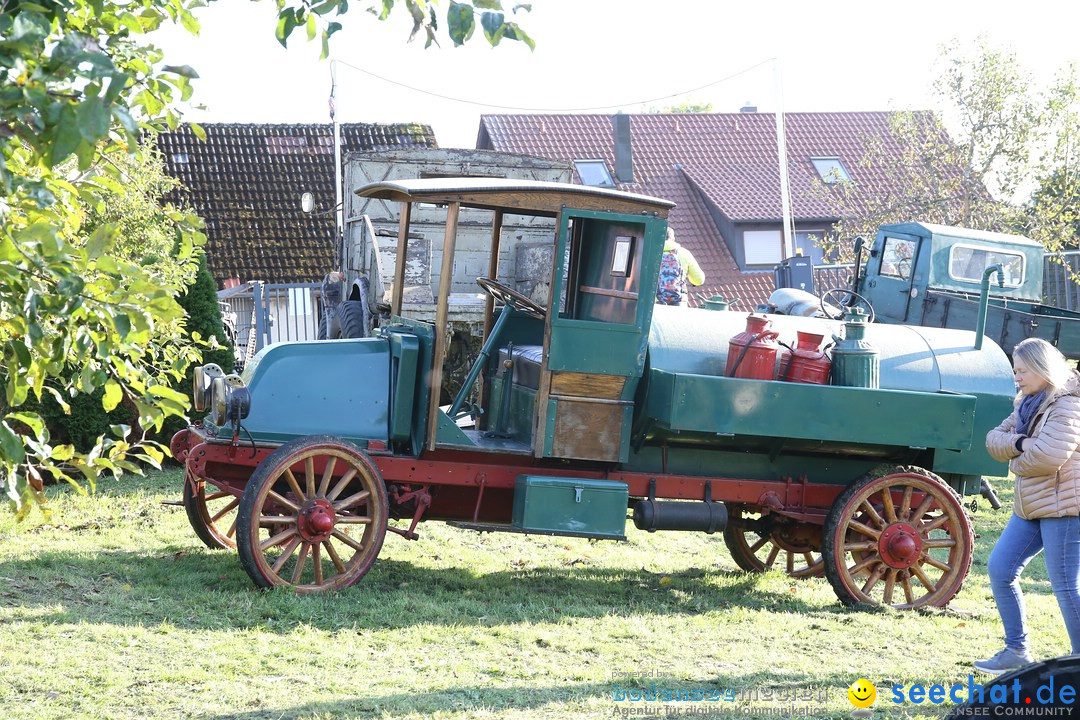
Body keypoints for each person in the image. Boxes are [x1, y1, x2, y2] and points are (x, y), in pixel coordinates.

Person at [980, 338, 1080, 674]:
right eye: (1015, 371)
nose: (1017, 377)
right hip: (1032, 505)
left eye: (1022, 370)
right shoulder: (1027, 403)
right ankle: (1016, 650)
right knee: (1000, 569)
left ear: (1041, 368)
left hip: (1064, 506)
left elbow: (1047, 458)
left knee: (1065, 585)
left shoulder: (1067, 405)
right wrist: (1022, 442)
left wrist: (1016, 459)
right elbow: (993, 439)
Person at [655, 228, 704, 307]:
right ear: (673, 239)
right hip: (679, 302)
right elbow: (699, 280)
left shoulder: (652, 252)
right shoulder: (684, 253)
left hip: (656, 302)